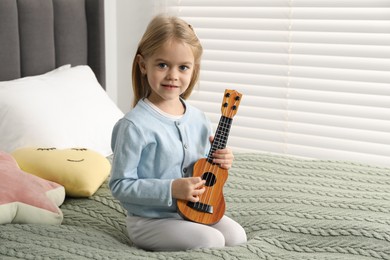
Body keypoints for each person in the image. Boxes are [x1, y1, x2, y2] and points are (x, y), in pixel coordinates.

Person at [109, 14, 247, 251]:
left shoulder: (199, 119)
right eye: (162, 65)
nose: (173, 75)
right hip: (151, 220)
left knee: (236, 236)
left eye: (183, 67)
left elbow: (205, 171)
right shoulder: (133, 126)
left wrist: (222, 161)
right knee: (211, 241)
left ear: (194, 70)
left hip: (196, 211)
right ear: (143, 65)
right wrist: (171, 188)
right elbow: (120, 185)